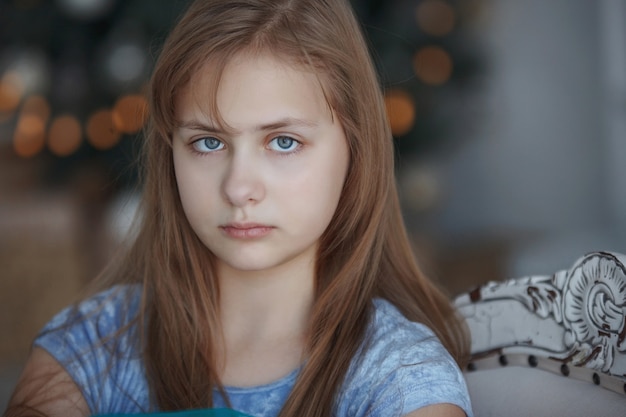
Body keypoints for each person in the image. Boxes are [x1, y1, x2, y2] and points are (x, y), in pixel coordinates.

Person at [5, 0, 473, 416]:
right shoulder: (90, 345)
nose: (239, 187)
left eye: (283, 142)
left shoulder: (402, 382)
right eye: (208, 142)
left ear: (356, 151)